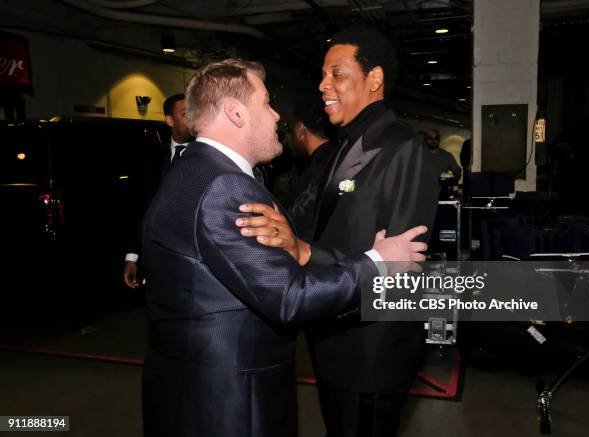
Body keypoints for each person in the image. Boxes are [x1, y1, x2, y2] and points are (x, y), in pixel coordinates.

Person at [140, 58, 430, 437]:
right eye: (266, 103)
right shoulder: (224, 186)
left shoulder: (194, 169)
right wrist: (378, 261)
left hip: (190, 386)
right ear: (235, 113)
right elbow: (288, 297)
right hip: (228, 399)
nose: (277, 116)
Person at [237, 26, 439, 436]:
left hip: (371, 351)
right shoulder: (347, 144)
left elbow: (401, 266)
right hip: (336, 339)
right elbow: (332, 230)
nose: (323, 84)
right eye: (323, 74)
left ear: (375, 79)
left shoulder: (402, 148)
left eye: (337, 73)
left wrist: (306, 252)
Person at [122, 93, 193, 288]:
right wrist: (132, 256)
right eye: (186, 113)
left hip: (194, 268)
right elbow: (143, 208)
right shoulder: (152, 159)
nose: (193, 118)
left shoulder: (207, 158)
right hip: (158, 267)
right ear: (170, 120)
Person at [285, 93, 337, 239]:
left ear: (300, 129)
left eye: (291, 129)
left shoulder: (323, 164)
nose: (289, 136)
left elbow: (296, 218)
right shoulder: (332, 156)